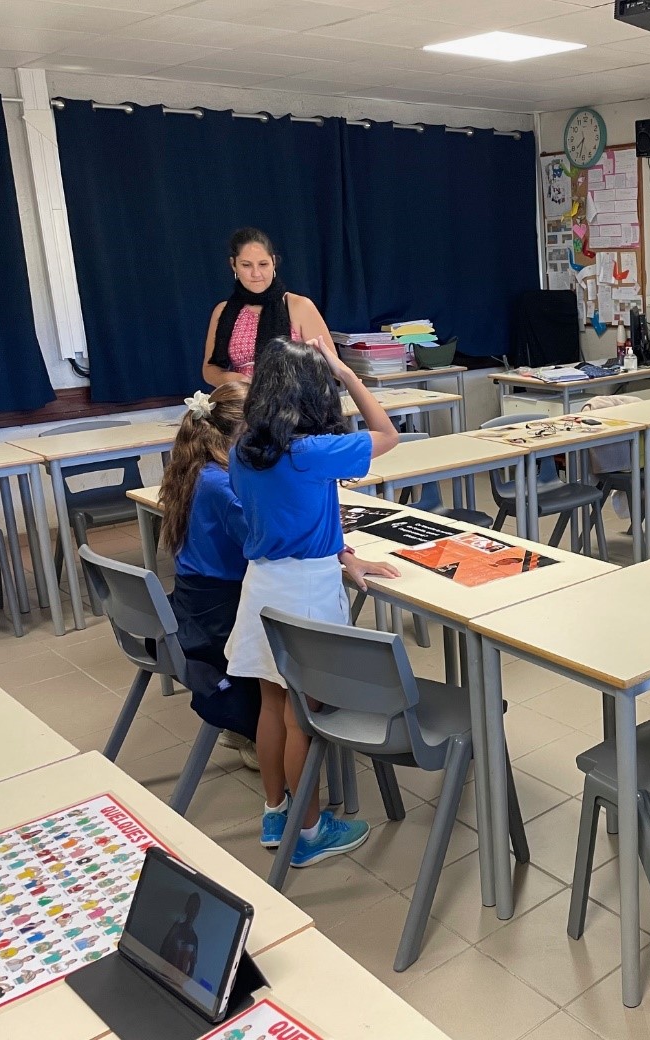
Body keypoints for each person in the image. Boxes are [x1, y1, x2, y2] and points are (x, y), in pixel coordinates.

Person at [225, 337, 401, 867]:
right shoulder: (313, 453)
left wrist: (344, 554)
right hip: (307, 591)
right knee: (303, 714)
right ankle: (310, 830)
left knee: (270, 705)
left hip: (262, 586)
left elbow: (287, 516)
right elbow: (387, 434)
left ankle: (276, 813)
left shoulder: (243, 450)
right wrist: (348, 374)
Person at [158, 382, 259, 770]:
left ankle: (245, 724)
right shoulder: (223, 485)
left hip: (194, 604)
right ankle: (255, 727)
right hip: (222, 615)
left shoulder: (193, 468)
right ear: (242, 432)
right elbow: (262, 544)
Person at [202, 228, 336, 386]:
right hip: (242, 397)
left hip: (294, 396)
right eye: (246, 265)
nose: (256, 273)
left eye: (263, 264)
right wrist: (236, 380)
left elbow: (331, 366)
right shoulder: (223, 311)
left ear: (273, 262)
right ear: (234, 265)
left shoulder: (299, 306)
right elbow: (210, 370)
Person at [159, 893, 200, 976]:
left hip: (177, 981)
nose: (193, 910)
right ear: (186, 907)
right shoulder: (176, 928)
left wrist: (182, 980)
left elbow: (192, 970)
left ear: (197, 912)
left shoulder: (194, 939)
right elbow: (162, 951)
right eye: (191, 906)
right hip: (163, 975)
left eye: (196, 908)